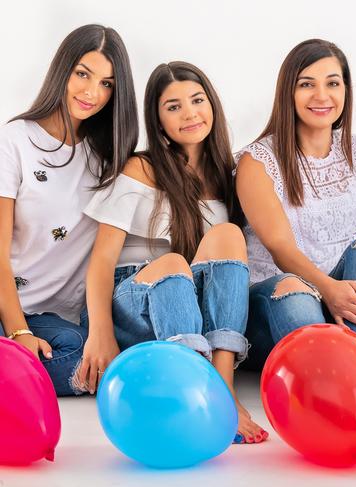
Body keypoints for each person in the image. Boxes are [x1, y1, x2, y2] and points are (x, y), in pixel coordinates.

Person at [81, 61, 266, 443]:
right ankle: (192, 388)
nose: (189, 113)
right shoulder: (141, 169)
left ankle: (220, 387)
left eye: (197, 100)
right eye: (173, 106)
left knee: (229, 233)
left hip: (192, 310)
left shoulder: (227, 177)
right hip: (134, 301)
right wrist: (100, 334)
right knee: (171, 262)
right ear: (158, 120)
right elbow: (101, 260)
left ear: (212, 104)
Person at [236, 39, 356, 370]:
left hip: (342, 305)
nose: (321, 95)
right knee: (296, 291)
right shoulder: (259, 161)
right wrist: (327, 288)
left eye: (333, 83)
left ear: (346, 90)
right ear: (288, 93)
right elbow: (280, 248)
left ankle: (341, 372)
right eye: (307, 84)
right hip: (278, 303)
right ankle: (350, 374)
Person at [0, 24, 138, 395]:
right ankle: (14, 362)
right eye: (83, 74)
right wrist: (19, 332)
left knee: (88, 355)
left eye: (107, 83)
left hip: (58, 324)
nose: (92, 92)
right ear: (63, 69)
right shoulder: (15, 140)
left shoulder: (110, 159)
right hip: (8, 309)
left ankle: (14, 370)